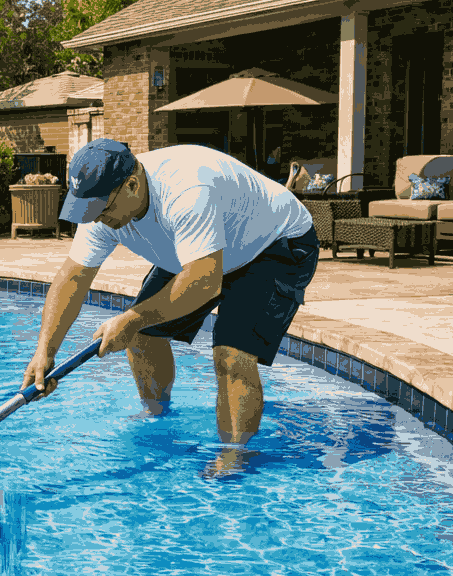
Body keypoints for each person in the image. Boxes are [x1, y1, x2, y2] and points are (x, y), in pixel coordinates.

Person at [21, 138, 319, 472]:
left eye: (103, 210)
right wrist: (45, 350)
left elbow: (204, 282)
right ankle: (157, 415)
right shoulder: (101, 207)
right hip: (198, 250)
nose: (97, 220)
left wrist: (131, 319)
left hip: (273, 245)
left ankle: (237, 455)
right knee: (142, 333)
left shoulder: (186, 189)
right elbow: (73, 277)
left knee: (231, 353)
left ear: (132, 184)